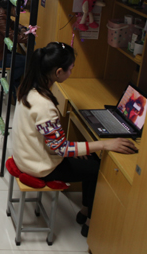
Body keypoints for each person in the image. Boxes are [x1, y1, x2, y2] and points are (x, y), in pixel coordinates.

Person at [11, 42, 137, 237]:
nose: (71, 72)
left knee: (88, 156)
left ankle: (85, 210)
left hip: (25, 156)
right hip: (38, 166)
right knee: (97, 168)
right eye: (70, 69)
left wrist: (82, 148)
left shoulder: (29, 88)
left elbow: (55, 141)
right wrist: (105, 144)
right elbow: (62, 149)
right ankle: (89, 220)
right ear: (58, 72)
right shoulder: (44, 106)